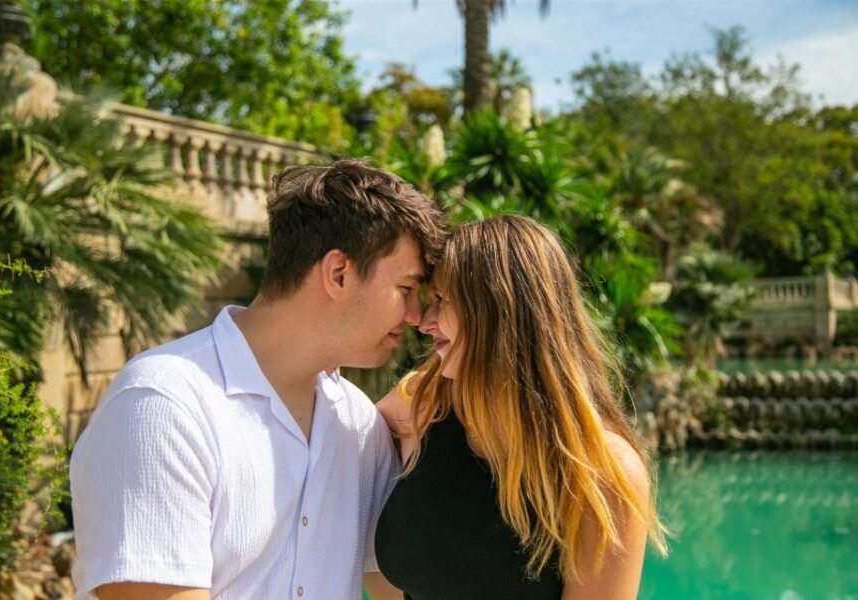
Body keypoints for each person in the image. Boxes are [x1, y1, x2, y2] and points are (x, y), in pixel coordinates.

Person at [70, 158, 447, 600]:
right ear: (338, 273)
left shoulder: (359, 425)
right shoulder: (163, 403)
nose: (417, 316)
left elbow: (393, 585)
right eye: (405, 289)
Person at [373, 215, 668, 600]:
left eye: (442, 301)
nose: (424, 322)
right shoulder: (422, 409)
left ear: (499, 312)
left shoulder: (600, 472)